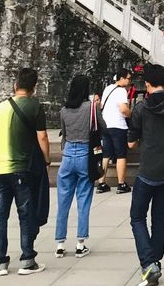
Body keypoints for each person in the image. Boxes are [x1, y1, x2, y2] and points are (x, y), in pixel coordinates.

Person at [0, 67, 50, 276]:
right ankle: (27, 259)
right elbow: (43, 137)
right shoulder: (35, 106)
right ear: (34, 87)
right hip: (23, 170)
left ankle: (0, 262)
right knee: (26, 215)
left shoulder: (0, 108)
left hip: (0, 170)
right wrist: (47, 159)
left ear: (15, 85)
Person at [128, 63, 164, 286]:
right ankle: (156, 262)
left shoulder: (141, 108)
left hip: (147, 171)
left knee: (137, 217)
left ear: (148, 84)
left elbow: (132, 142)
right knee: (159, 218)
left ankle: (148, 262)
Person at [55, 75, 106, 259]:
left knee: (63, 200)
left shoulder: (63, 110)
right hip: (86, 154)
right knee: (84, 199)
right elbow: (103, 127)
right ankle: (80, 243)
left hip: (68, 154)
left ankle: (60, 244)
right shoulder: (92, 107)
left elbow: (64, 133)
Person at [98, 68, 132, 194]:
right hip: (118, 126)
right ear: (121, 78)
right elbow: (123, 109)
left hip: (105, 125)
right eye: (128, 78)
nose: (129, 81)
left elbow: (101, 105)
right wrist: (131, 115)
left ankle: (102, 183)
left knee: (106, 154)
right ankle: (121, 183)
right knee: (121, 155)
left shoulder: (108, 88)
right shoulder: (122, 91)